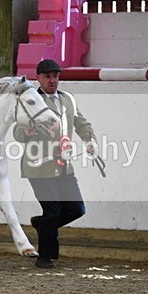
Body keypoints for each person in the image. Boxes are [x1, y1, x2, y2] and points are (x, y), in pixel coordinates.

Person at [13, 59, 97, 268]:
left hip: (63, 165)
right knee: (53, 212)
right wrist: (25, 132)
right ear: (38, 78)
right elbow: (17, 129)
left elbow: (80, 122)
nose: (53, 80)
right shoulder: (31, 99)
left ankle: (42, 225)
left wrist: (90, 140)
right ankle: (44, 257)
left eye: (55, 76)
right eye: (48, 77)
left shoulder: (68, 99)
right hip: (38, 166)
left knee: (76, 209)